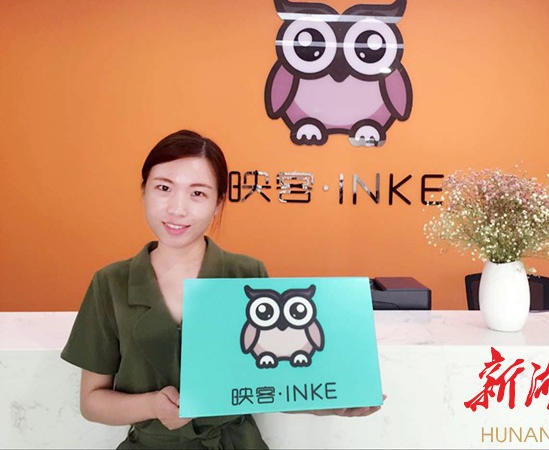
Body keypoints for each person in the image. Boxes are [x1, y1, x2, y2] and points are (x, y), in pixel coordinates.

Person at [61, 130, 382, 449]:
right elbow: (92, 401)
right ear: (144, 191)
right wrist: (152, 406)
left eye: (197, 193)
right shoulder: (110, 282)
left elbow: (268, 383)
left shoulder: (246, 274)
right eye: (164, 188)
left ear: (218, 203)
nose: (177, 208)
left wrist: (331, 402)